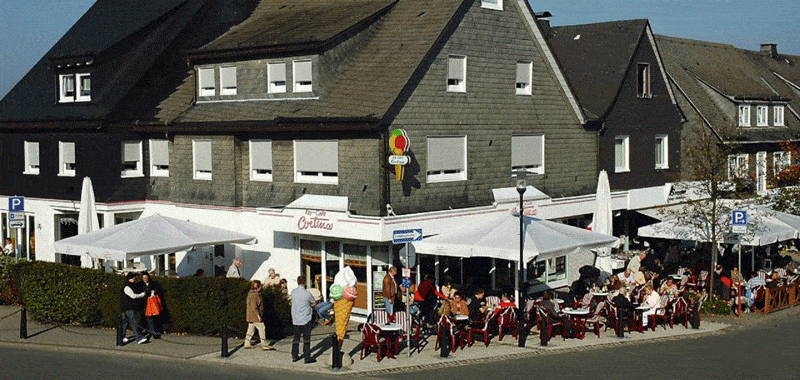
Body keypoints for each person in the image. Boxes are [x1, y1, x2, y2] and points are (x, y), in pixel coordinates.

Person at [291, 276, 316, 364]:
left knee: (296, 338)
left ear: (298, 282)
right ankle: (307, 357)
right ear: (305, 283)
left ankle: (294, 355)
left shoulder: (293, 292)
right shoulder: (307, 293)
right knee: (306, 339)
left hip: (296, 318)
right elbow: (313, 302)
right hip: (305, 318)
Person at [245, 280, 274, 350]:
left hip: (251, 315)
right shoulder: (254, 295)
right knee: (262, 328)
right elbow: (254, 307)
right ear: (257, 287)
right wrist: (258, 316)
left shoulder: (252, 294)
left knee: (251, 329)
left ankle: (247, 343)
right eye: (260, 286)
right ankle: (264, 344)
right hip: (254, 316)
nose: (261, 287)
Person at [120, 272, 148, 344]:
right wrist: (142, 294)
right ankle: (139, 338)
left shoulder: (132, 285)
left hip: (127, 307)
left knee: (125, 323)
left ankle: (121, 337)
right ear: (129, 279)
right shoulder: (127, 287)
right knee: (133, 322)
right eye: (133, 278)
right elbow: (133, 296)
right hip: (128, 307)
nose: (134, 279)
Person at [141, 271, 164, 339]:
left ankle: (154, 332)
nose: (145, 279)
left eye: (146, 277)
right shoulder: (140, 285)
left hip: (153, 303)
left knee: (155, 318)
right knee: (149, 319)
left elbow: (159, 290)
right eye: (143, 278)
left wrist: (154, 292)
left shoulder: (153, 284)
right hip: (145, 303)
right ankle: (152, 332)